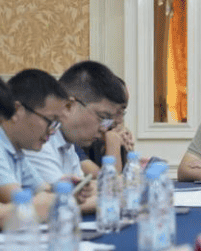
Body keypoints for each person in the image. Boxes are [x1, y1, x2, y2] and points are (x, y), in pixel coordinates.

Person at [24, 61, 126, 189]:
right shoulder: (38, 141)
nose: (104, 128)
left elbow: (81, 192)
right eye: (102, 117)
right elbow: (62, 196)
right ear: (69, 106)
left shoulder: (67, 144)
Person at [0, 70, 69, 204]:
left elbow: (43, 190)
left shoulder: (17, 151)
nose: (52, 131)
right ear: (17, 110)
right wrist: (67, 197)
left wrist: (64, 187)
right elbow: (20, 202)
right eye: (50, 121)